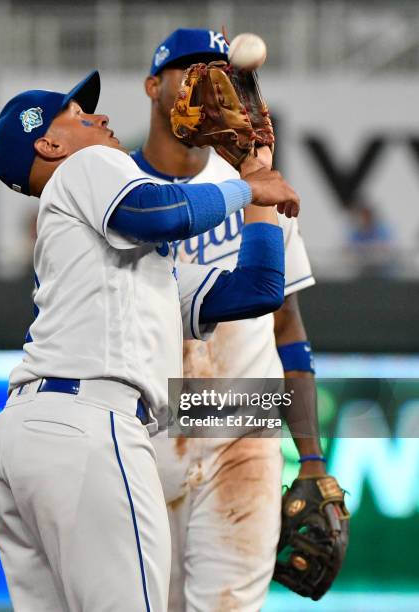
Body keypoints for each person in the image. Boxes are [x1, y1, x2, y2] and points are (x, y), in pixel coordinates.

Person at [0, 70, 300, 611]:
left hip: (29, 436)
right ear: (50, 144)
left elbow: (258, 291)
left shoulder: (114, 259)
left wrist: (258, 183)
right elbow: (157, 211)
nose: (103, 118)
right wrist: (245, 187)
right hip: (88, 427)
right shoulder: (85, 168)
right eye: (80, 116)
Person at [132, 28, 325, 611]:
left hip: (243, 425)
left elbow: (286, 324)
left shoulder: (258, 184)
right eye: (189, 67)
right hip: (144, 432)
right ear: (153, 85)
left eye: (217, 68)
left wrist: (312, 459)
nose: (207, 80)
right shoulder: (115, 189)